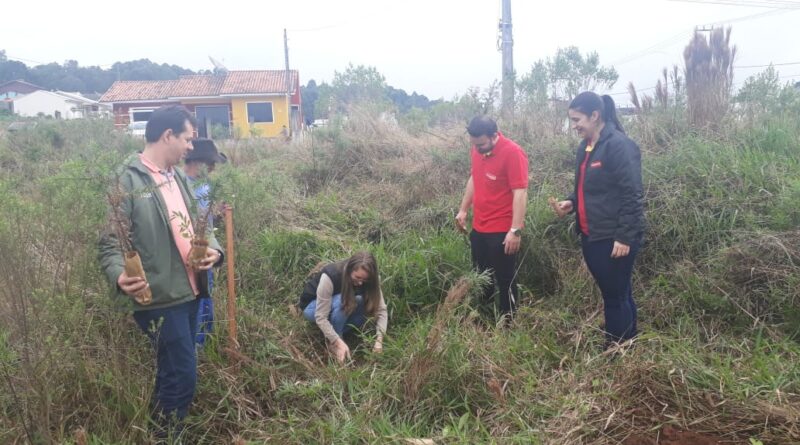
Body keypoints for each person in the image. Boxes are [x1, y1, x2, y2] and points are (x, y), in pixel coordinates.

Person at [98, 105, 224, 436]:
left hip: (192, 290)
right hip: (159, 296)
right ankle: (169, 435)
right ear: (167, 135)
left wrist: (215, 250)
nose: (190, 147)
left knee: (172, 369)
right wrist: (118, 275)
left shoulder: (178, 176)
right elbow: (109, 243)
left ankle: (157, 431)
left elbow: (201, 226)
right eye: (187, 139)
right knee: (183, 373)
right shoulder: (125, 180)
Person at [552, 92, 645, 348]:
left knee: (615, 296)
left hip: (612, 237)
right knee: (617, 292)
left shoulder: (619, 145)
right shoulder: (587, 145)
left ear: (595, 115)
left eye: (577, 119)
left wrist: (625, 237)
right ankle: (628, 343)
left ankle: (615, 350)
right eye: (571, 120)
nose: (574, 126)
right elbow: (590, 187)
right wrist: (571, 202)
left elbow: (632, 194)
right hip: (591, 234)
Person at [455, 116, 529, 322]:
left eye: (481, 144)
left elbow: (520, 193)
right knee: (481, 275)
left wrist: (515, 230)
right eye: (473, 144)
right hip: (479, 227)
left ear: (494, 135)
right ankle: (484, 317)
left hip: (502, 229)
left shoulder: (513, 153)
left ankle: (508, 323)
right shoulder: (477, 149)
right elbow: (474, 178)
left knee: (505, 279)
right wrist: (463, 210)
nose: (477, 148)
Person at [297, 252, 388, 363]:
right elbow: (320, 317)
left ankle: (331, 333)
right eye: (357, 277)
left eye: (365, 280)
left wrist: (379, 341)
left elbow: (382, 310)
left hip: (339, 305)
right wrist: (337, 341)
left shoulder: (371, 280)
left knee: (362, 303)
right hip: (312, 308)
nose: (360, 283)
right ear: (349, 270)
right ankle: (335, 342)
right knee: (346, 300)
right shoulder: (331, 275)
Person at [183, 138, 227, 348]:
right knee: (197, 299)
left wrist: (217, 212)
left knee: (207, 294)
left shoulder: (205, 186)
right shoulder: (180, 187)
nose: (212, 169)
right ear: (196, 162)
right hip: (190, 256)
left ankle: (207, 342)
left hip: (208, 251)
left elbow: (207, 222)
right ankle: (197, 348)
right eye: (210, 164)